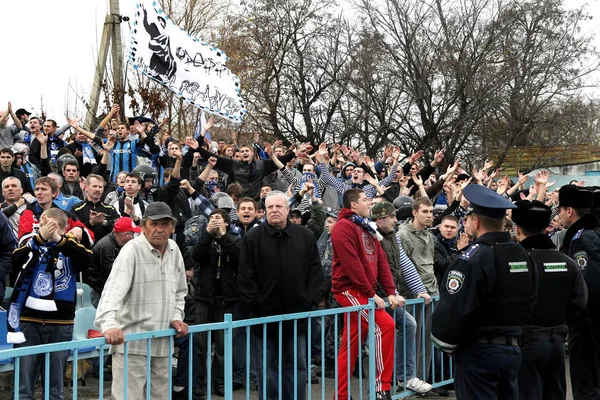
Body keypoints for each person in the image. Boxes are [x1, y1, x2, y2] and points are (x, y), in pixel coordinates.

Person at [431, 184, 539, 400]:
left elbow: (455, 309)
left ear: (476, 221)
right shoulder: (524, 255)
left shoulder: (472, 258)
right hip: (513, 350)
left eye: (468, 218)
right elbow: (531, 300)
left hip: (478, 353)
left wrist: (447, 343)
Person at [94, 202, 188, 400]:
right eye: (154, 224)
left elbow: (180, 291)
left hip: (163, 341)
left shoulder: (174, 249)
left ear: (172, 228)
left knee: (160, 397)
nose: (159, 229)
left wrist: (176, 316)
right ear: (143, 226)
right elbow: (112, 292)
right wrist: (109, 325)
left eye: (165, 224)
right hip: (132, 343)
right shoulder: (131, 251)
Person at [237, 191, 324, 400]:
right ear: (264, 211)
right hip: (264, 318)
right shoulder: (252, 238)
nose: (274, 210)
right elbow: (245, 277)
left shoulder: (305, 236)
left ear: (287, 209)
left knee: (297, 366)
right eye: (270, 207)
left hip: (297, 316)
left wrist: (310, 299)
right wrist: (255, 306)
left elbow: (315, 271)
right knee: (267, 370)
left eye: (278, 207)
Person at [7, 208, 92, 399]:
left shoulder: (71, 246)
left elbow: (87, 259)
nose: (48, 229)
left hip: (61, 324)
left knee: (54, 389)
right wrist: (39, 239)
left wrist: (59, 239)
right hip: (28, 321)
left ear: (64, 227)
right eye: (46, 225)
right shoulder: (30, 243)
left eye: (53, 226)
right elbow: (14, 261)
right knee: (23, 387)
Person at [330, 188, 403, 400]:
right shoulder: (343, 228)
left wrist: (390, 291)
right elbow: (352, 265)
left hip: (362, 290)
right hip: (349, 290)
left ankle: (340, 396)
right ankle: (382, 387)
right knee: (385, 325)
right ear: (353, 205)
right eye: (365, 199)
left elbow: (380, 261)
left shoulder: (367, 227)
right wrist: (372, 294)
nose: (369, 202)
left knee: (350, 344)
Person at [512, 200, 588, 400]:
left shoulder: (514, 264)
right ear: (546, 228)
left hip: (524, 342)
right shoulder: (568, 263)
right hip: (556, 341)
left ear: (518, 229)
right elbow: (580, 303)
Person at [370, 201, 434, 396]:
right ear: (380, 219)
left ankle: (404, 377)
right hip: (374, 297)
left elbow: (404, 265)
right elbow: (375, 270)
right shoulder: (370, 236)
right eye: (392, 217)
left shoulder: (392, 237)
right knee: (374, 344)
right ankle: (377, 388)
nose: (396, 220)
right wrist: (391, 293)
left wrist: (419, 289)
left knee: (408, 324)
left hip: (388, 296)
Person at [190, 208, 243, 396]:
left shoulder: (234, 240)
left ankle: (219, 383)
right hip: (204, 297)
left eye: (218, 218)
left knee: (222, 346)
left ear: (227, 223)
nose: (214, 221)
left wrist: (222, 236)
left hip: (225, 299)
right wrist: (207, 234)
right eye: (211, 218)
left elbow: (239, 256)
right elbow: (195, 255)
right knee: (200, 344)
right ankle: (198, 384)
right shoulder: (205, 240)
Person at [557, 185, 600, 399]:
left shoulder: (582, 238)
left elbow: (588, 285)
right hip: (587, 324)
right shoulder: (585, 234)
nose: (558, 215)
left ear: (569, 211)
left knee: (586, 382)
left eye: (560, 209)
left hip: (587, 324)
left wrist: (575, 315)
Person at [396, 197, 438, 382]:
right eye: (425, 212)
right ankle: (407, 379)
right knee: (412, 339)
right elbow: (400, 267)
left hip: (431, 290)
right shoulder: (402, 235)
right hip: (412, 294)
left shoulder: (429, 235)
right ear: (414, 213)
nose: (430, 216)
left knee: (427, 340)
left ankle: (423, 379)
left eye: (431, 212)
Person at [72, 174, 121, 243]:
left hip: (106, 249)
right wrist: (90, 223)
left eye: (100, 187)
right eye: (94, 186)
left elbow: (118, 230)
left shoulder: (110, 209)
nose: (97, 189)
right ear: (86, 187)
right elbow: (73, 231)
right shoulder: (77, 209)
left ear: (103, 189)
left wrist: (105, 223)